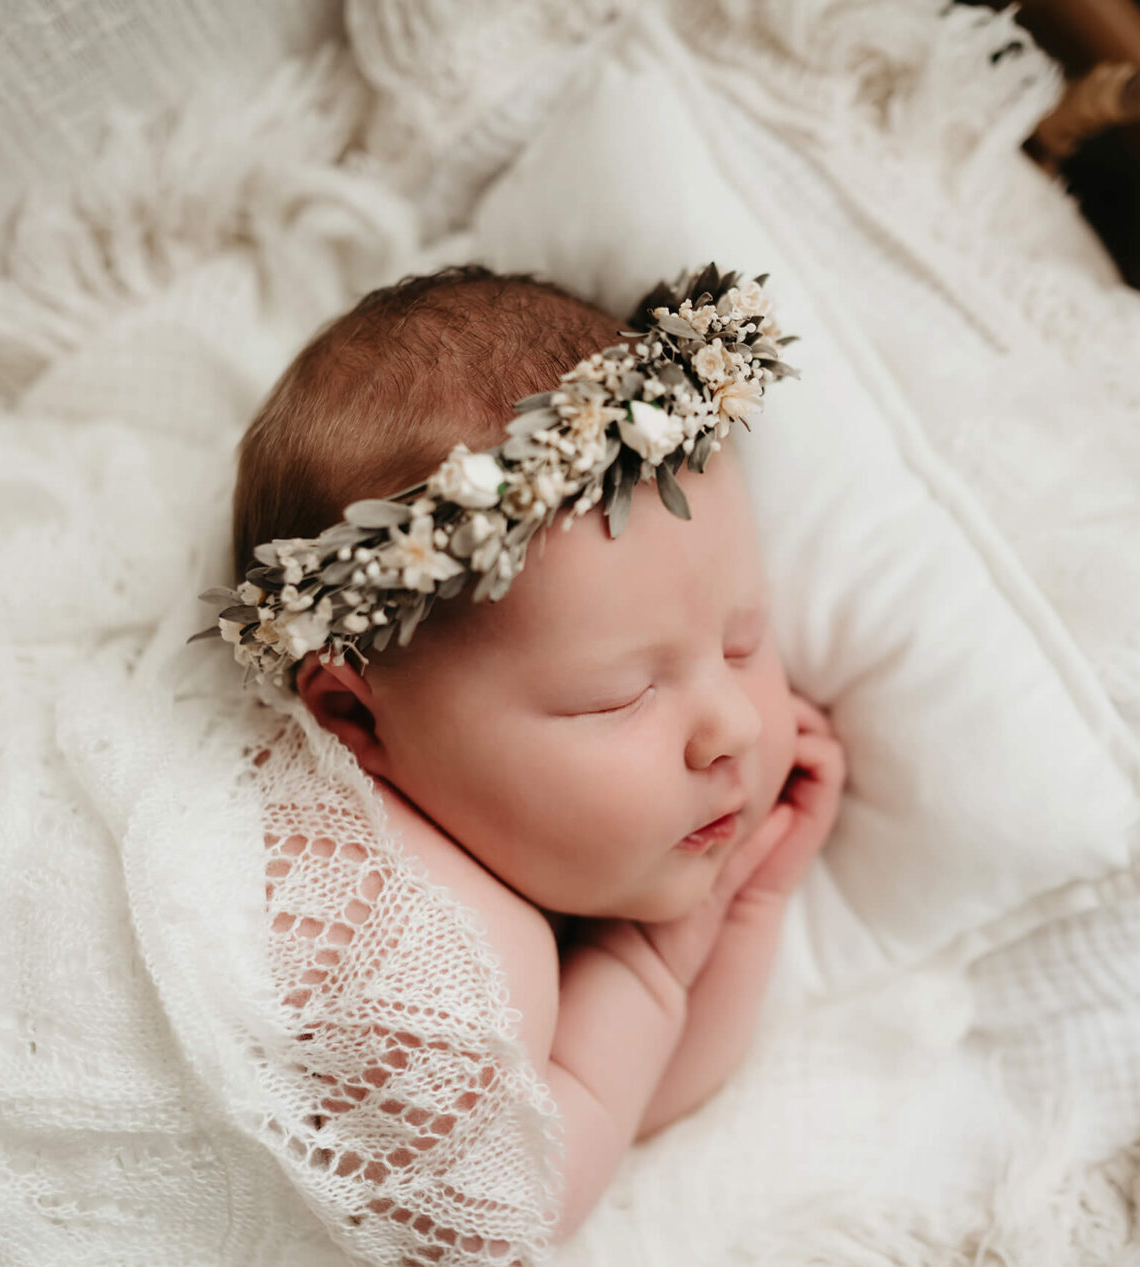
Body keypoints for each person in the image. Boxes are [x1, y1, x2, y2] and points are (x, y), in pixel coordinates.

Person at [219, 263, 845, 1242]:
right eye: (619, 695)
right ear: (356, 719)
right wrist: (654, 952)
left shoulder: (506, 841)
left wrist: (739, 903)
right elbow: (512, 1204)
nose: (735, 724)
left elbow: (632, 1099)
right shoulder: (407, 930)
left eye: (742, 642)